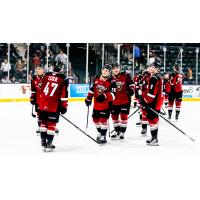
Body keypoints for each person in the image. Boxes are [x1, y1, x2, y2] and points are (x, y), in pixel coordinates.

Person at [38, 61, 68, 151]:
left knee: (43, 122)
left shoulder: (46, 75)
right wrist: (64, 106)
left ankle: (43, 142)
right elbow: (64, 94)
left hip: (43, 103)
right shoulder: (63, 78)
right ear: (61, 68)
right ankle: (49, 143)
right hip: (53, 104)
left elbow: (41, 88)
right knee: (51, 124)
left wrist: (39, 102)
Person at [85, 64, 114, 144]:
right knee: (95, 120)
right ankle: (100, 132)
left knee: (103, 120)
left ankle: (103, 135)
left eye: (107, 71)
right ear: (101, 70)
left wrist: (104, 96)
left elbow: (113, 94)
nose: (105, 72)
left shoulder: (112, 81)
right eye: (104, 70)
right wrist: (88, 98)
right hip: (96, 105)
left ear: (109, 72)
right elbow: (92, 89)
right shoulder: (96, 79)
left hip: (106, 105)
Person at [139, 62, 164, 146]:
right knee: (153, 119)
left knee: (152, 119)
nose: (150, 68)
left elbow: (152, 94)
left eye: (153, 67)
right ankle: (154, 137)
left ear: (157, 68)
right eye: (150, 67)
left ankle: (155, 139)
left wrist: (144, 100)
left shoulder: (154, 78)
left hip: (154, 102)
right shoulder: (159, 76)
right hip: (158, 102)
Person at [110, 63, 134, 140]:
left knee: (124, 117)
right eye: (114, 68)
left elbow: (132, 85)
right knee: (114, 117)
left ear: (120, 69)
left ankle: (122, 132)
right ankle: (117, 131)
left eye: (117, 68)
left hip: (125, 101)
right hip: (114, 102)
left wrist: (131, 90)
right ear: (112, 70)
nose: (116, 70)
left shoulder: (126, 76)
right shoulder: (109, 78)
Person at [30, 66, 45, 134]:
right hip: (38, 99)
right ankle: (40, 127)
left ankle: (50, 126)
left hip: (46, 99)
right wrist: (32, 98)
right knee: (39, 114)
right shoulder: (34, 78)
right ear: (36, 71)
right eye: (38, 69)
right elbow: (33, 89)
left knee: (47, 113)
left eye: (41, 69)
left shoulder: (46, 77)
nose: (40, 70)